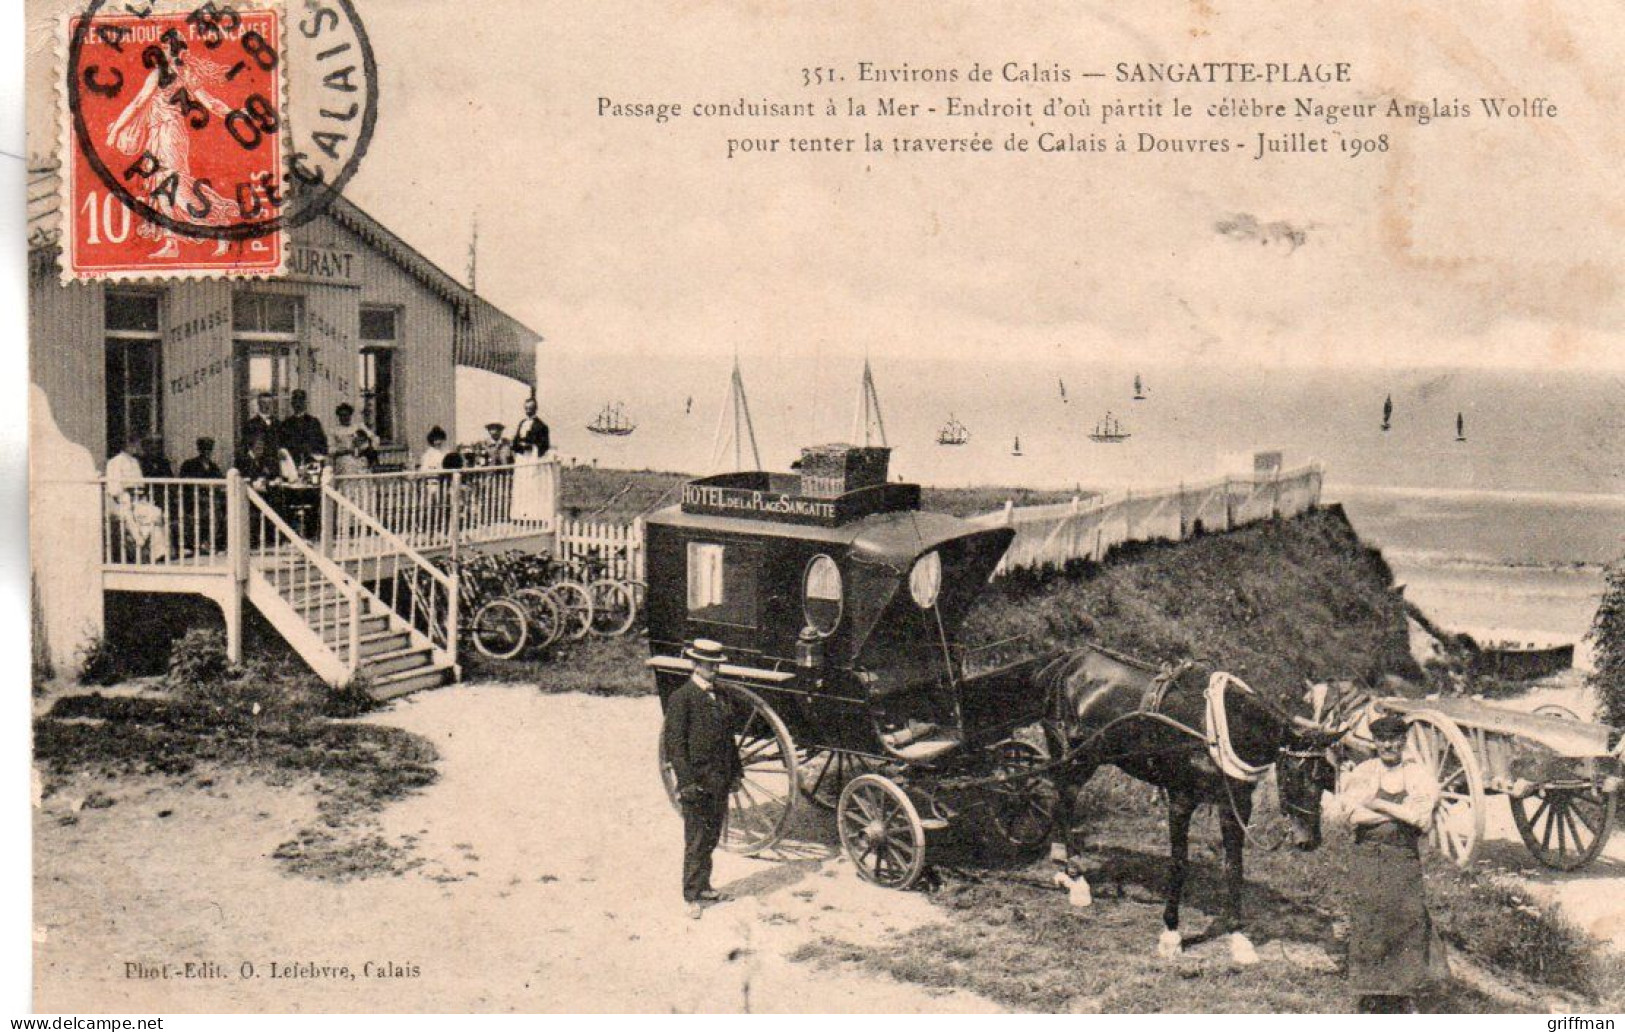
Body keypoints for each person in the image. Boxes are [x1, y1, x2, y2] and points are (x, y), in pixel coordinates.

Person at [1335, 713, 1449, 1013]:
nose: (1388, 745)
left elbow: (1421, 819)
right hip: (1367, 856)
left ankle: (1404, 991)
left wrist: (1378, 803)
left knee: (1408, 918)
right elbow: (1351, 815)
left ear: (1403, 741)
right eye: (1382, 739)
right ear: (1375, 742)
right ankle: (1369, 991)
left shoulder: (1417, 775)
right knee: (1368, 917)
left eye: (1394, 739)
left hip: (1402, 857)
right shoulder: (1364, 771)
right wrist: (1399, 811)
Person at [659, 639, 742, 919]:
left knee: (710, 836)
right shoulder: (682, 698)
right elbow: (675, 748)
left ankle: (705, 886)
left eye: (717, 664)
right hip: (696, 782)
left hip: (718, 779)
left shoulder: (718, 695)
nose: (715, 669)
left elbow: (729, 741)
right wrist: (686, 784)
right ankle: (691, 896)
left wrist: (736, 773)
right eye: (709, 664)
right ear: (696, 665)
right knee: (695, 839)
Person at [105, 435, 168, 562]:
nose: (137, 448)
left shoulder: (134, 462)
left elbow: (141, 483)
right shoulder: (115, 462)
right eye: (135, 445)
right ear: (127, 445)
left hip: (137, 499)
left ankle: (156, 551)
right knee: (137, 516)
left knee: (156, 513)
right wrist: (128, 491)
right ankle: (141, 542)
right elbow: (114, 488)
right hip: (122, 500)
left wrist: (139, 493)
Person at [510, 397, 553, 522]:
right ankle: (520, 515)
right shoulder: (522, 423)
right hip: (522, 459)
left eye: (531, 408)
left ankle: (534, 515)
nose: (528, 411)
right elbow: (516, 441)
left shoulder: (541, 426)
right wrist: (519, 446)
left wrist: (531, 446)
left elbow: (544, 445)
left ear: (535, 409)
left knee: (533, 487)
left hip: (533, 460)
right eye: (526, 408)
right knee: (521, 486)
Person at [277, 389, 328, 466]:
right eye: (295, 400)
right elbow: (281, 446)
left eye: (301, 400)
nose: (298, 404)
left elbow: (323, 445)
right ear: (292, 403)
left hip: (311, 464)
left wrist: (311, 450)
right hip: (291, 465)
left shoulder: (313, 422)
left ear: (305, 403)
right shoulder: (286, 424)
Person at [330, 403, 378, 477]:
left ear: (350, 415)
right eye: (342, 415)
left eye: (347, 415)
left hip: (360, 458)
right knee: (347, 468)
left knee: (363, 474)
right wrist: (343, 450)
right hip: (344, 459)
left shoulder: (358, 426)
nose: (344, 418)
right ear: (338, 416)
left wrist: (366, 447)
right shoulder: (334, 430)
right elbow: (330, 449)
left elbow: (374, 438)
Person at [241, 393, 278, 463]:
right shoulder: (250, 424)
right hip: (258, 465)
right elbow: (246, 447)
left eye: (269, 403)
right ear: (258, 404)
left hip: (276, 465)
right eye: (264, 403)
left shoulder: (278, 423)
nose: (267, 406)